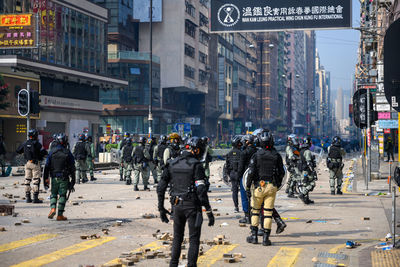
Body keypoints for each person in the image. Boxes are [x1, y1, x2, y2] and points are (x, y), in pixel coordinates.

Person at [157, 137, 215, 267]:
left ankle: (173, 264)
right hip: (192, 207)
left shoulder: (171, 163)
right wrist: (209, 211)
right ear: (196, 150)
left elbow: (160, 187)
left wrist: (161, 208)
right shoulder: (196, 165)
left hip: (176, 206)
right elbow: (201, 190)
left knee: (177, 238)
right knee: (194, 239)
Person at [245, 129, 285, 246]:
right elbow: (282, 172)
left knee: (255, 212)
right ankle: (266, 239)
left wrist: (248, 187)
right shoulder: (276, 155)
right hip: (272, 187)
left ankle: (254, 236)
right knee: (268, 213)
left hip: (259, 187)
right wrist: (276, 184)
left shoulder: (256, 155)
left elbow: (251, 172)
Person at [43, 133, 75, 221]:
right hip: (64, 178)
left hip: (53, 178)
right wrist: (73, 180)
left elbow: (46, 167)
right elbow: (72, 168)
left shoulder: (51, 152)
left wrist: (45, 179)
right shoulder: (67, 153)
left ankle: (53, 208)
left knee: (53, 194)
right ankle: (59, 215)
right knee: (62, 195)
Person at [16, 129, 47, 203]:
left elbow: (18, 150)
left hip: (27, 163)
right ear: (35, 135)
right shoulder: (38, 144)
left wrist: (26, 152)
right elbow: (44, 152)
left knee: (27, 180)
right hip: (35, 164)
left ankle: (28, 198)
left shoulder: (25, 143)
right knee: (36, 180)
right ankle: (35, 198)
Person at [238, 134, 257, 224]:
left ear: (247, 142)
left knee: (244, 196)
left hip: (245, 177)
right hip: (256, 177)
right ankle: (256, 215)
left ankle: (247, 216)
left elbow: (240, 167)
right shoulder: (257, 151)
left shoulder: (244, 152)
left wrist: (238, 177)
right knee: (256, 196)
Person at [298, 137, 317, 204]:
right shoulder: (307, 151)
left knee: (305, 184)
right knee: (312, 184)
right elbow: (309, 162)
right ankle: (302, 194)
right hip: (307, 170)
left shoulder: (301, 151)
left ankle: (306, 199)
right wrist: (313, 171)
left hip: (303, 170)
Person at [225, 135, 242, 212]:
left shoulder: (229, 153)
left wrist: (229, 174)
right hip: (240, 174)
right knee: (244, 191)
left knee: (234, 191)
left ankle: (236, 207)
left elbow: (226, 166)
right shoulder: (242, 153)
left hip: (232, 174)